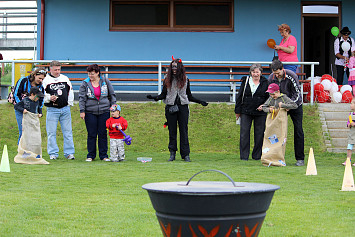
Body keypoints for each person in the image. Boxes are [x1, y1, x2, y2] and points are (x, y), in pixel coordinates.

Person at [146, 57, 208, 162]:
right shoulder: (167, 80)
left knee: (184, 131)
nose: (174, 69)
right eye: (172, 68)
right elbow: (163, 95)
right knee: (172, 131)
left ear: (180, 68)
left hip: (183, 107)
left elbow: (189, 96)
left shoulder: (186, 79)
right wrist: (154, 98)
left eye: (176, 68)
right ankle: (172, 153)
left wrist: (200, 101)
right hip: (170, 107)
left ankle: (185, 154)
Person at [268, 60, 305, 166]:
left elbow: (297, 94)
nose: (276, 75)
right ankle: (274, 156)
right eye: (274, 73)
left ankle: (300, 158)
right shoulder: (271, 78)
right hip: (280, 106)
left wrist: (289, 105)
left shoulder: (291, 76)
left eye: (278, 73)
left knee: (298, 130)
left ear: (282, 69)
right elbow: (271, 94)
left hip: (295, 105)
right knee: (275, 130)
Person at [79, 64, 116, 162]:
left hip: (104, 111)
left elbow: (112, 94)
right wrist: (82, 111)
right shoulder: (85, 83)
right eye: (89, 74)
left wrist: (113, 107)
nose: (90, 76)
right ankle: (90, 155)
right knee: (91, 134)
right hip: (90, 111)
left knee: (103, 133)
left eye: (92, 74)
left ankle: (103, 155)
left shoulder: (105, 81)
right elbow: (82, 98)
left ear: (98, 73)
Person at [234, 63, 269, 161]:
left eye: (257, 72)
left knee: (259, 134)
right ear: (250, 73)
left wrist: (264, 105)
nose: (255, 74)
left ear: (261, 73)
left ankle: (257, 155)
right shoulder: (245, 81)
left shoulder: (266, 82)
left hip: (260, 112)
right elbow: (239, 96)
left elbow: (269, 97)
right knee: (244, 133)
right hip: (246, 111)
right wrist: (237, 111)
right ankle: (244, 156)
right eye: (253, 72)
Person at [43, 60, 75, 160]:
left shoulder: (65, 78)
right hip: (52, 109)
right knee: (51, 132)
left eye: (59, 69)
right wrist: (49, 98)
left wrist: (70, 103)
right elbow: (42, 94)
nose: (57, 71)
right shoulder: (45, 80)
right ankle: (53, 153)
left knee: (68, 132)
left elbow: (70, 91)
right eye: (55, 70)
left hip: (65, 109)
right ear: (50, 69)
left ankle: (69, 153)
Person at [13, 68, 46, 144]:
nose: (41, 80)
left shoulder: (41, 87)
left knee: (32, 133)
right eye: (39, 78)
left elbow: (41, 101)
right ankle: (21, 152)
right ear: (34, 75)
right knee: (23, 132)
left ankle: (31, 152)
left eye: (42, 79)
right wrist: (23, 107)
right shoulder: (23, 81)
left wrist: (39, 111)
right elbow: (16, 94)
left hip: (32, 112)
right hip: (21, 111)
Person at [343, 97, 355, 166]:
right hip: (351, 135)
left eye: (352, 103)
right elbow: (347, 125)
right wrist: (349, 124)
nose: (350, 105)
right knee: (349, 147)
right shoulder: (350, 115)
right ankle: (348, 160)